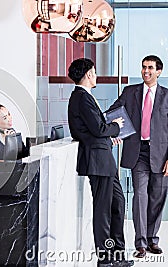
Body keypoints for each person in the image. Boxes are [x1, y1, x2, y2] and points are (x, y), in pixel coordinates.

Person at [67, 58, 133, 267]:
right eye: (94, 72)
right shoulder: (81, 98)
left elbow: (96, 130)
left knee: (117, 204)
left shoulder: (84, 97)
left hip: (104, 158)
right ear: (88, 74)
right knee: (103, 210)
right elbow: (98, 129)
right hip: (97, 160)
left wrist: (107, 135)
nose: (95, 76)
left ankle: (117, 253)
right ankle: (105, 258)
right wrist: (115, 126)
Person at [107, 55, 168, 258]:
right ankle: (140, 243)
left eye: (150, 68)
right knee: (140, 196)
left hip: (161, 153)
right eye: (143, 67)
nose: (146, 71)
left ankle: (153, 240)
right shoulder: (130, 92)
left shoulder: (167, 96)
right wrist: (112, 131)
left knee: (157, 198)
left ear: (159, 71)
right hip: (138, 151)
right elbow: (113, 113)